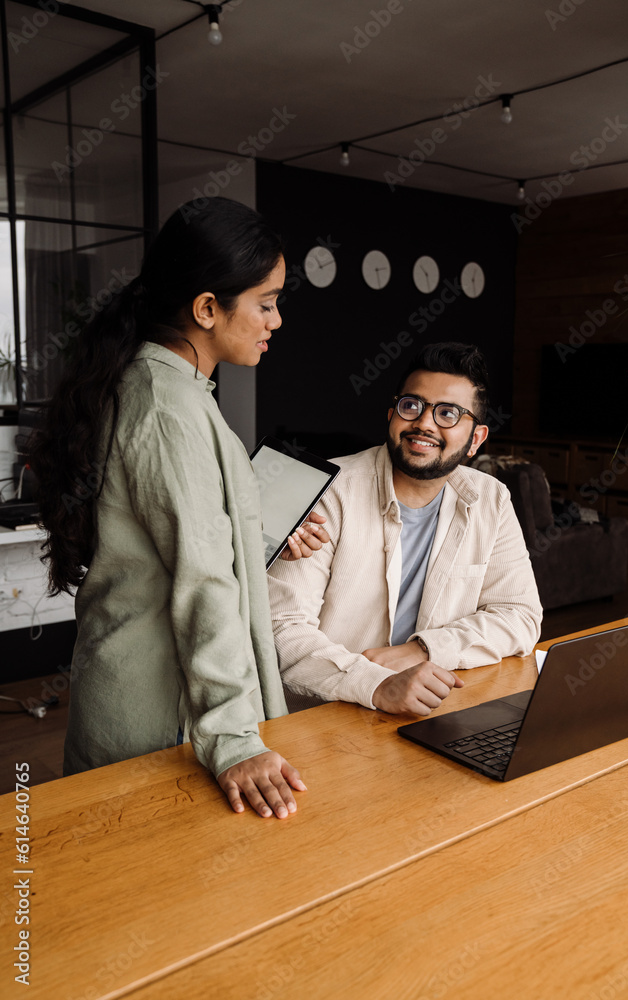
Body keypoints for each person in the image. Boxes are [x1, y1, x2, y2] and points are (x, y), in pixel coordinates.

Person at [30, 196, 329, 819]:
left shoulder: (168, 389)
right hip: (160, 719)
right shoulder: (170, 410)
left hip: (153, 704)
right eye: (266, 304)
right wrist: (233, 735)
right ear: (207, 309)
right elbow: (203, 581)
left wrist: (258, 536)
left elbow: (180, 541)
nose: (276, 321)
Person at [268, 342, 542, 715]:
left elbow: (520, 615)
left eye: (448, 413)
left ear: (476, 439)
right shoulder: (328, 491)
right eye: (412, 405)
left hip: (435, 705)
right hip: (325, 712)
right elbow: (282, 629)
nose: (424, 423)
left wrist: (424, 650)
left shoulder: (490, 499)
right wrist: (377, 684)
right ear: (391, 413)